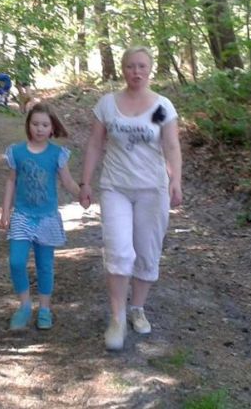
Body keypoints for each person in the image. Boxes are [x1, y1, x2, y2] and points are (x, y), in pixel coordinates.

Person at [79, 46, 183, 351]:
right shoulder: (107, 104)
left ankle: (137, 307)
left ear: (149, 69)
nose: (136, 72)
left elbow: (172, 146)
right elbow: (95, 144)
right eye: (130, 66)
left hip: (153, 189)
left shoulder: (161, 106)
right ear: (122, 69)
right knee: (119, 250)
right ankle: (117, 318)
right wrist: (85, 182)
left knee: (147, 251)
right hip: (116, 188)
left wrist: (176, 180)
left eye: (141, 66)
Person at [1, 102, 80, 330]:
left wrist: (82, 194)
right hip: (22, 215)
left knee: (45, 265)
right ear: (28, 125)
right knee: (16, 261)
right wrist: (5, 210)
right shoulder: (17, 152)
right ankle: (25, 305)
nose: (39, 128)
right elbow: (11, 181)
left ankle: (45, 309)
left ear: (52, 127)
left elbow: (68, 182)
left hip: (47, 218)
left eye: (45, 125)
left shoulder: (57, 154)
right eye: (35, 124)